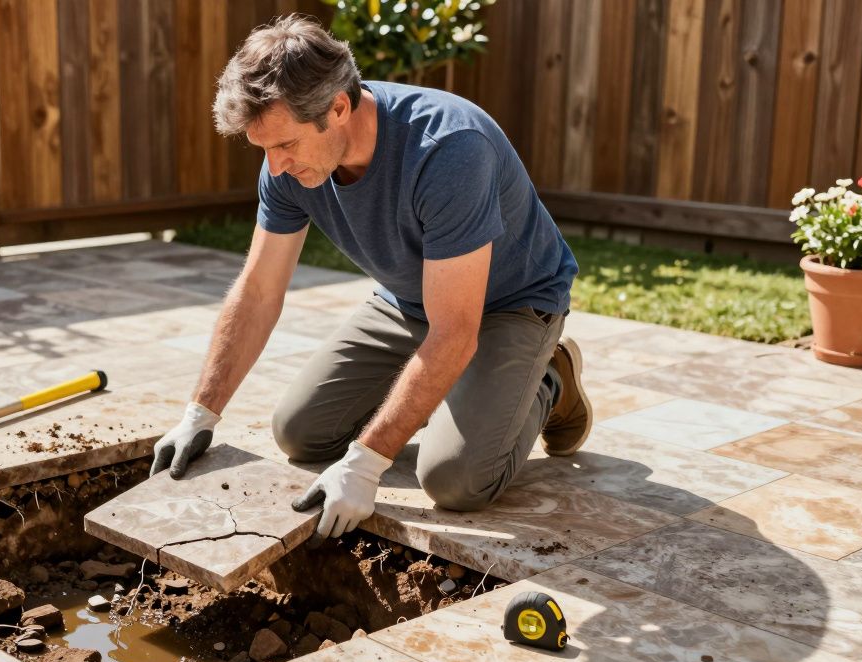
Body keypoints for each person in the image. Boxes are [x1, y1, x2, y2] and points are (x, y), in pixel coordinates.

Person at [150, 15, 590, 540]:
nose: (276, 166)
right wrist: (201, 412)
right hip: (408, 299)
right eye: (262, 148)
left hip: (510, 304)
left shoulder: (449, 150)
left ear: (338, 107)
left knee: (455, 481)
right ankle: (456, 393)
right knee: (300, 433)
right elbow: (260, 289)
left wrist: (366, 463)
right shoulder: (286, 163)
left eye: (285, 145)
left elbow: (456, 329)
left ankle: (549, 377)